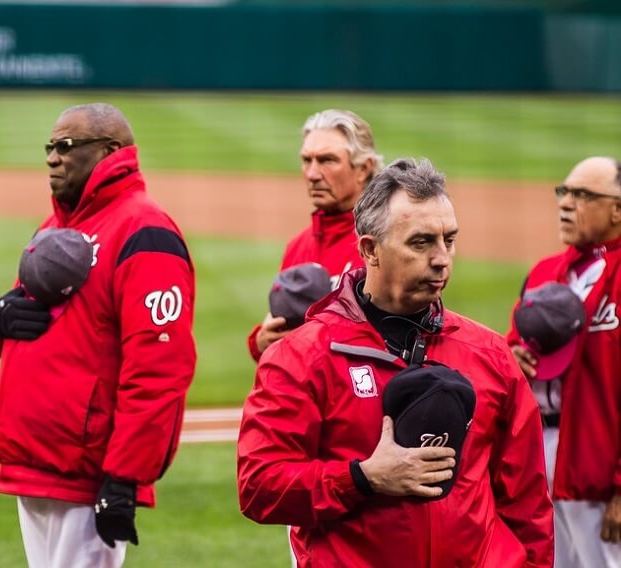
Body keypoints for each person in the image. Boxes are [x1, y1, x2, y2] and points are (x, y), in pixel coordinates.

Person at [237, 158, 553, 567]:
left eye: (449, 240)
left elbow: (527, 502)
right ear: (370, 249)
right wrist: (363, 479)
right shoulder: (303, 355)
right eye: (421, 242)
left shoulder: (490, 354)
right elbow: (259, 485)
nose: (442, 259)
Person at [0, 103, 196, 567]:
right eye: (49, 148)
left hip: (88, 473)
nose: (53, 158)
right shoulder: (57, 225)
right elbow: (37, 332)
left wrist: (125, 477)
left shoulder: (146, 232)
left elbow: (159, 369)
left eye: (66, 147)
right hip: (35, 463)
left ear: (109, 151)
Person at [506, 156, 621, 566]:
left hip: (597, 465)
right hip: (539, 458)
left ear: (617, 209)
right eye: (564, 192)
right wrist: (511, 360)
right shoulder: (544, 271)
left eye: (583, 194)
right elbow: (512, 353)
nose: (566, 203)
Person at [247, 109, 383, 361]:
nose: (312, 174)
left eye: (327, 160)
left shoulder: (382, 244)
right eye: (307, 160)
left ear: (364, 168)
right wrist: (260, 341)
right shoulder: (298, 247)